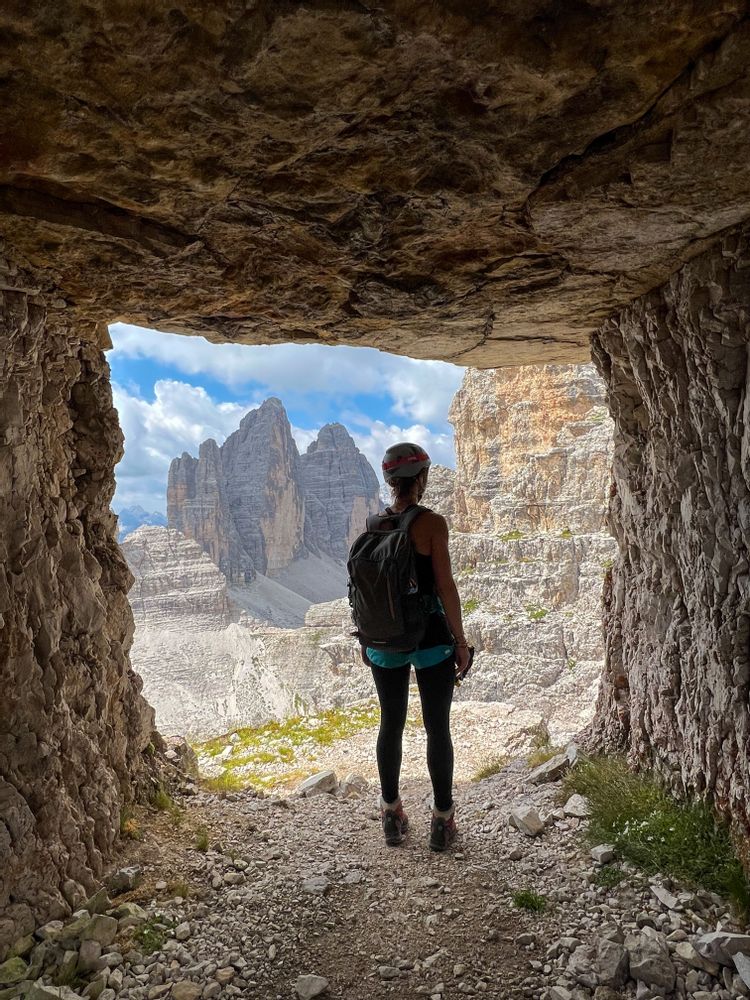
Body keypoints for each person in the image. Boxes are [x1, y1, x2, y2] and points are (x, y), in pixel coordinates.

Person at [361, 442, 471, 852]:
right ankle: (442, 821)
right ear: (422, 478)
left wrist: (367, 638)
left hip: (384, 642)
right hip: (430, 642)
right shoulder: (432, 524)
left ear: (389, 481)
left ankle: (391, 814)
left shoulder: (373, 524)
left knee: (390, 723)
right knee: (436, 726)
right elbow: (445, 586)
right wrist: (460, 641)